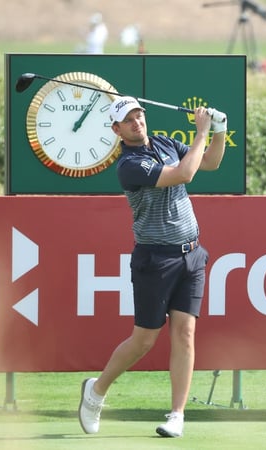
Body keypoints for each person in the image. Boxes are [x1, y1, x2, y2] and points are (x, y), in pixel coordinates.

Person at [78, 96, 227, 438]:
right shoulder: (129, 165)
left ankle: (177, 414)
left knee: (185, 334)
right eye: (128, 120)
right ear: (116, 129)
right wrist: (202, 131)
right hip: (155, 259)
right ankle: (96, 391)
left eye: (139, 116)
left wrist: (219, 129)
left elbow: (211, 163)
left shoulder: (164, 143)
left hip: (192, 254)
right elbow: (185, 173)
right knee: (144, 340)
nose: (137, 123)